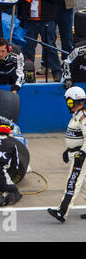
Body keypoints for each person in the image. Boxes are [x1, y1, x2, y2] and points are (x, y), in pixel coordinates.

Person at [17, 0, 63, 82]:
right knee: (29, 47)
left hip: (47, 20)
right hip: (30, 20)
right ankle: (28, 74)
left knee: (50, 46)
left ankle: (56, 73)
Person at [47, 86, 86, 223]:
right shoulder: (76, 116)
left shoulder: (83, 117)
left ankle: (62, 212)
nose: (67, 104)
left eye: (68, 101)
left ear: (72, 101)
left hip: (80, 156)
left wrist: (81, 153)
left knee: (72, 182)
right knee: (84, 184)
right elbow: (74, 136)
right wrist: (67, 150)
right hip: (74, 153)